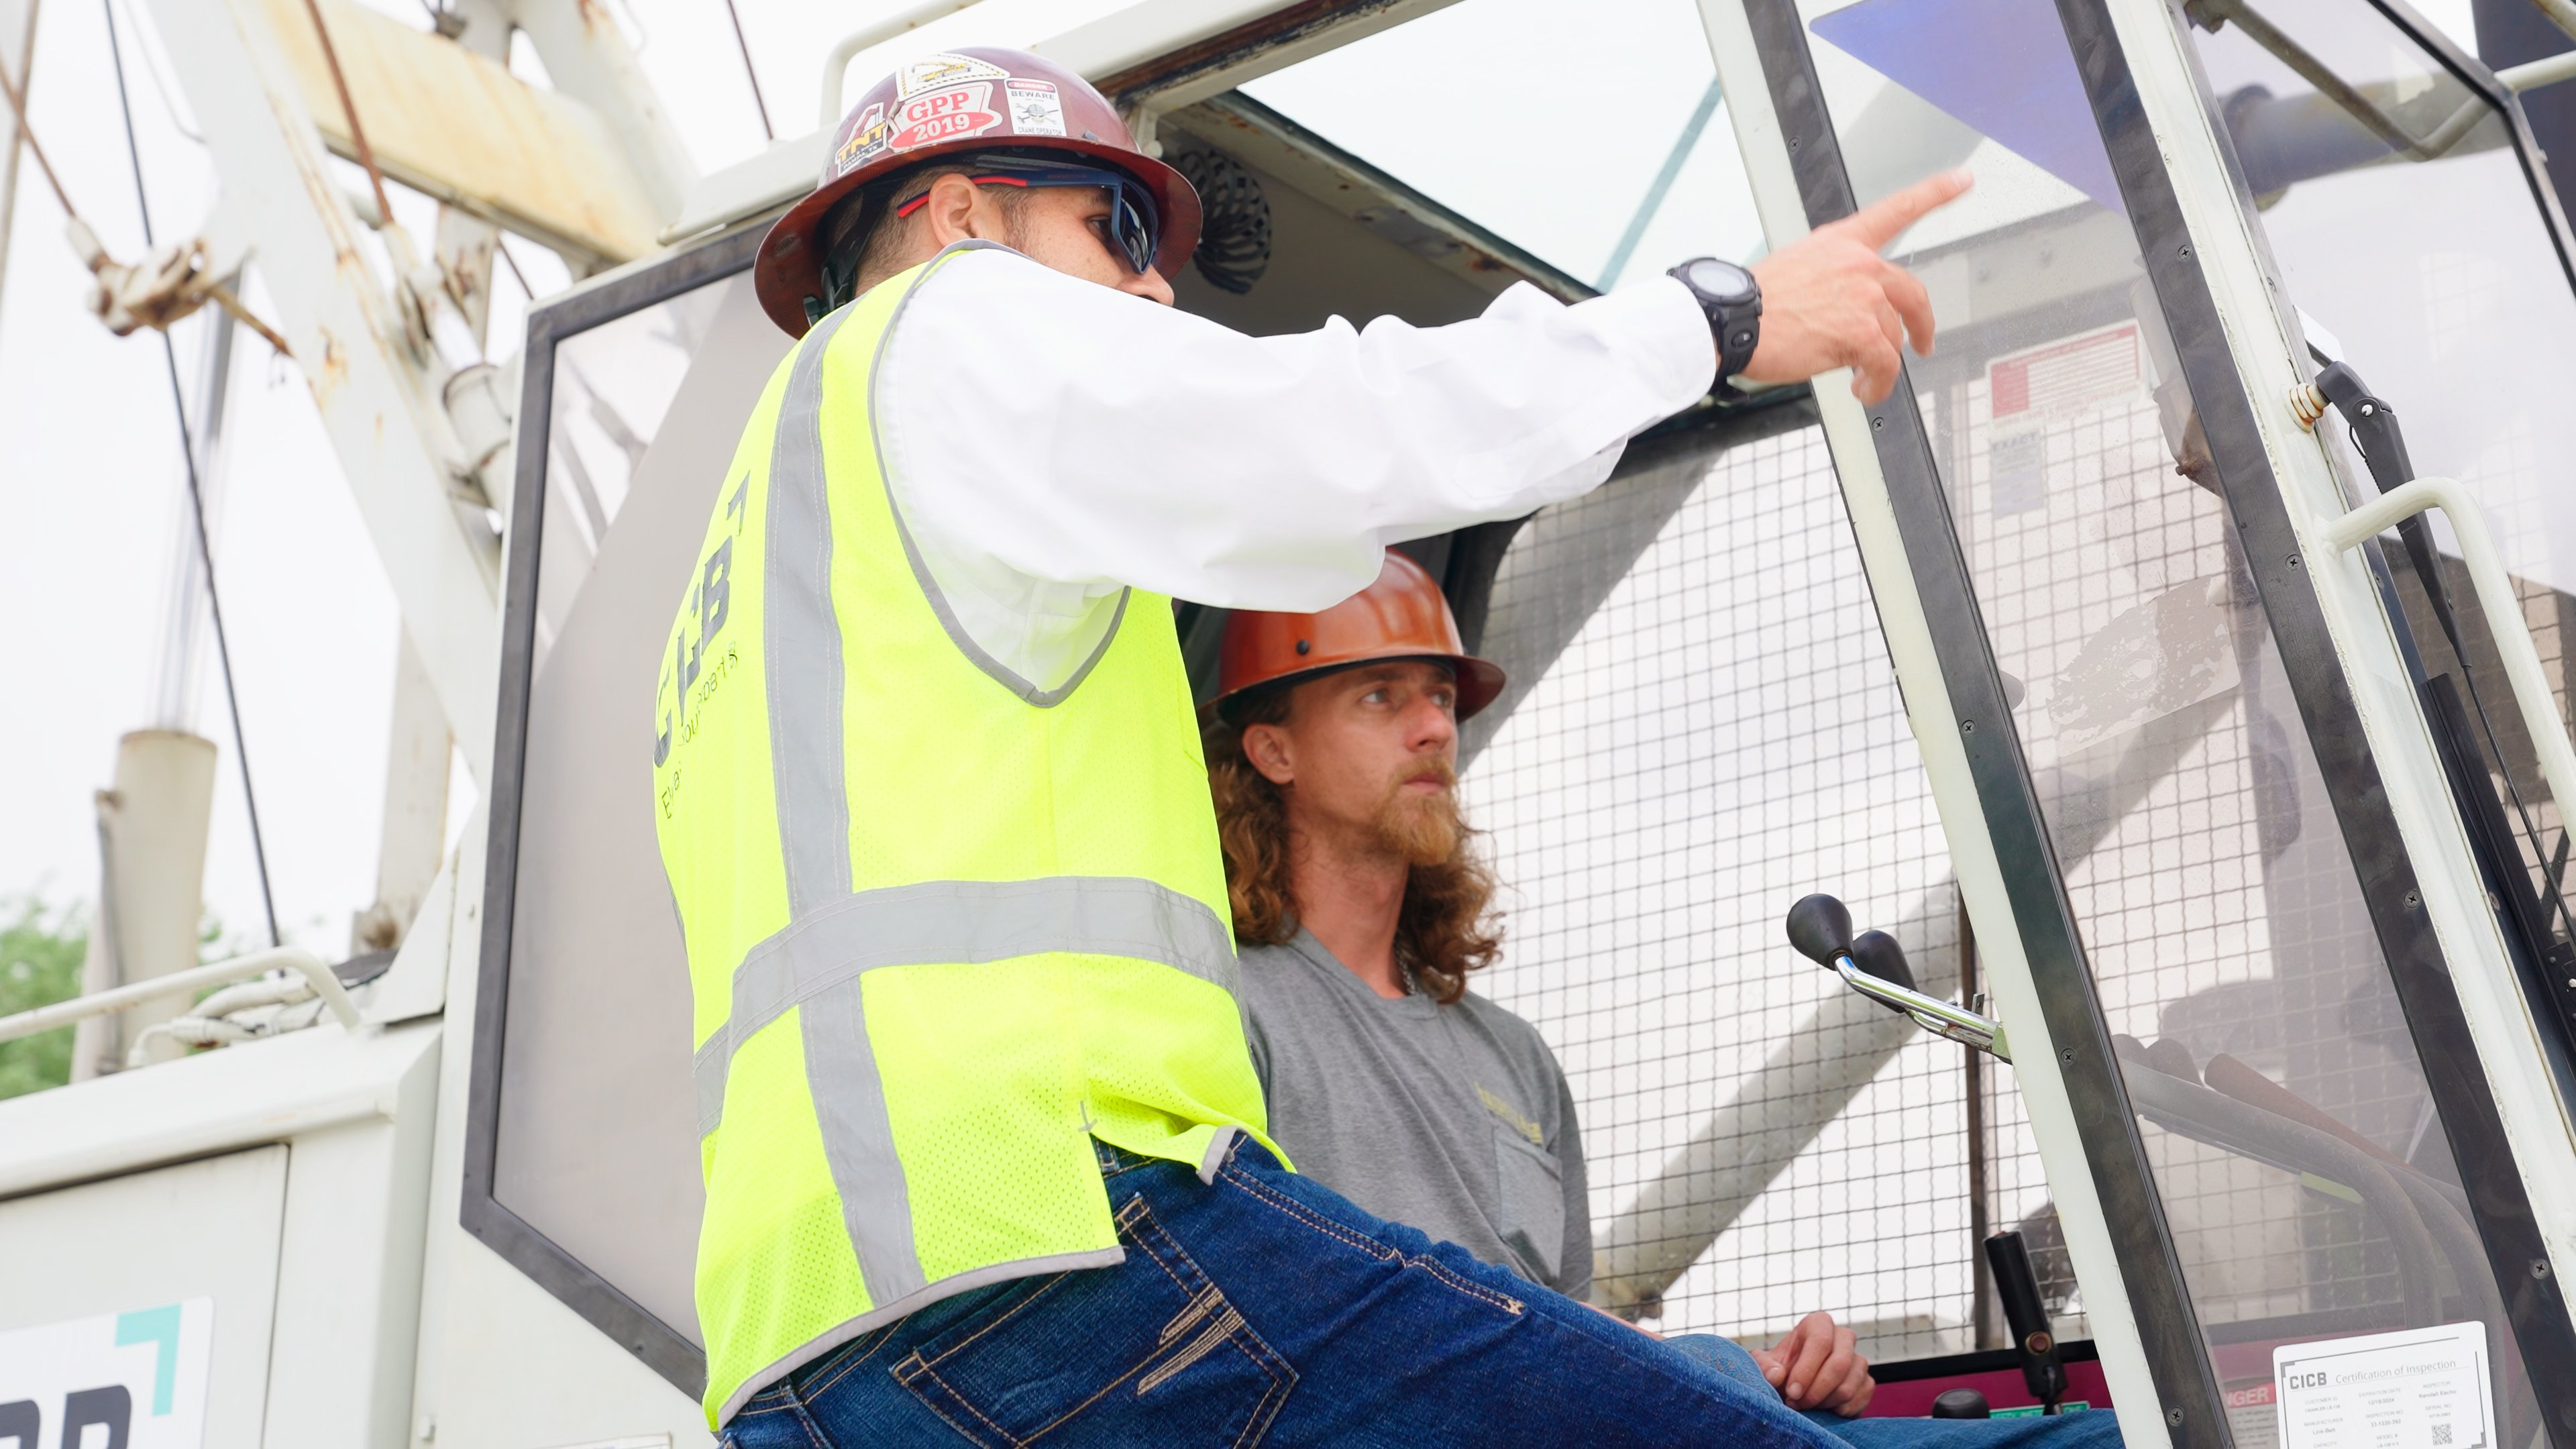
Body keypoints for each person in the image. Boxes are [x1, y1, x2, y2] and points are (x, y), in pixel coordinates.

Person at [655, 43, 1978, 1448]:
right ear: (964, 214)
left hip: (799, 1349)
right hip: (1050, 1233)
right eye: (1114, 231)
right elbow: (1323, 438)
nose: (1157, 283)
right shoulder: (951, 326)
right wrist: (1707, 324)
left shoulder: (745, 564)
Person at [1202, 559, 2127, 1446]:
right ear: (1273, 748)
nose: (1434, 729)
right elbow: (1271, 1338)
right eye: (1382, 696)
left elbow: (1570, 1322)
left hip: (1585, 1419)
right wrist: (1704, 1373)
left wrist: (1781, 1376)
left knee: (2117, 1435)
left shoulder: (1511, 1055)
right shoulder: (1225, 1010)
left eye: (1441, 698)